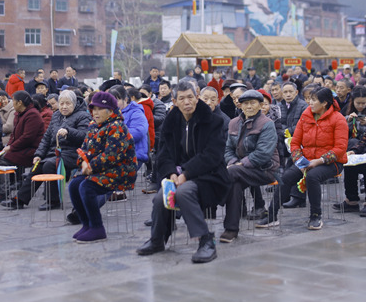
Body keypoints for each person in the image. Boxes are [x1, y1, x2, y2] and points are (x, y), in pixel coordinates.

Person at [137, 80, 229, 264]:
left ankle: (206, 242)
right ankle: (157, 240)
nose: (187, 102)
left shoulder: (213, 121)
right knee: (160, 197)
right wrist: (171, 172)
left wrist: (186, 174)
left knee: (183, 192)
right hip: (178, 175)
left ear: (196, 97)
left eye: (190, 97)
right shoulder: (171, 121)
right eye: (182, 98)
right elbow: (163, 153)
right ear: (174, 101)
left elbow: (212, 155)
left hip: (208, 176)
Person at [256, 87, 347, 230]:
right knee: (286, 177)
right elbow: (295, 142)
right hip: (306, 160)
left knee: (312, 176)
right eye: (310, 99)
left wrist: (319, 161)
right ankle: (271, 215)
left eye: (314, 100)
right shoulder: (306, 116)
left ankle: (315, 215)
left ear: (324, 103)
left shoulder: (338, 119)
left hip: (331, 162)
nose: (310, 102)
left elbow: (340, 148)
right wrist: (299, 160)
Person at [2, 90, 91, 211]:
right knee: (37, 166)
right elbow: (46, 138)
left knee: (49, 165)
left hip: (73, 153)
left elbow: (84, 136)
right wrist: (38, 154)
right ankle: (20, 199)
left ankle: (53, 200)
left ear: (74, 103)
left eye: (68, 103)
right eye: (61, 103)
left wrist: (69, 132)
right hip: (54, 153)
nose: (64, 107)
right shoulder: (56, 115)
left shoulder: (83, 115)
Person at [68, 91, 137, 244]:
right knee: (74, 185)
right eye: (93, 109)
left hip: (121, 171)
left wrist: (91, 166)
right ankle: (87, 225)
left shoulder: (117, 126)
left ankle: (97, 228)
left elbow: (112, 155)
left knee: (87, 186)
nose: (95, 112)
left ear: (110, 111)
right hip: (101, 170)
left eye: (99, 109)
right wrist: (83, 162)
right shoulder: (93, 126)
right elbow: (83, 148)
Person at [220, 90, 279, 242]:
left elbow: (263, 154)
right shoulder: (233, 123)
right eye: (245, 103)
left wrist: (239, 164)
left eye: (253, 103)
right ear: (240, 106)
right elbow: (228, 150)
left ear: (260, 105)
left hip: (265, 169)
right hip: (240, 170)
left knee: (232, 174)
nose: (249, 106)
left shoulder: (267, 124)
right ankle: (231, 229)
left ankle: (213, 197)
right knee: (234, 184)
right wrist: (234, 163)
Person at [0, 90, 44, 198]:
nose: (12, 103)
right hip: (21, 147)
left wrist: (12, 147)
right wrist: (8, 146)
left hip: (33, 150)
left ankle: (4, 191)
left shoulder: (33, 114)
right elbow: (14, 135)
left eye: (14, 101)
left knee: (2, 160)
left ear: (19, 102)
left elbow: (28, 137)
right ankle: (1, 188)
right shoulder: (19, 114)